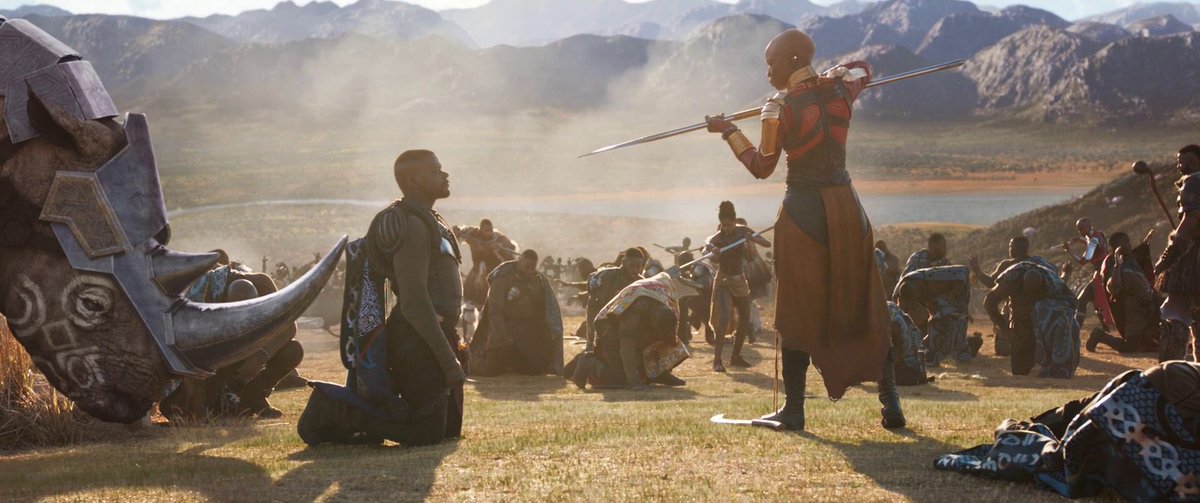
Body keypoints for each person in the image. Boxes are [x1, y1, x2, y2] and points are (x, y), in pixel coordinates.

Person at [705, 29, 901, 430]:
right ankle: (891, 402)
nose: (767, 72)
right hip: (849, 209)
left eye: (771, 63)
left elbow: (762, 166)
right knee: (866, 302)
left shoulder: (780, 108)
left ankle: (794, 409)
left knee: (796, 310)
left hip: (805, 212)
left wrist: (728, 131)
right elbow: (863, 72)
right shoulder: (842, 91)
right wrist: (834, 73)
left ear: (792, 60)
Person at [298, 149, 466, 447]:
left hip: (435, 332)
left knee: (447, 431)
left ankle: (360, 421)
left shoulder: (431, 219)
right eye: (435, 170)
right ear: (413, 180)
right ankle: (332, 407)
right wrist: (447, 360)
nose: (444, 175)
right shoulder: (411, 224)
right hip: (417, 338)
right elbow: (414, 302)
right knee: (425, 435)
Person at [936, 361, 1200, 501]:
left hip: (1158, 392)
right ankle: (1023, 430)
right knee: (1069, 454)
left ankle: (1031, 427)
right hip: (1160, 396)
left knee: (1080, 444)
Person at [160, 278, 303, 421]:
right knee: (177, 407)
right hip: (214, 365)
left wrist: (261, 355)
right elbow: (190, 353)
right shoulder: (204, 301)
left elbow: (289, 326)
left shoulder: (264, 286)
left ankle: (255, 395)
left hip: (252, 353)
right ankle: (226, 401)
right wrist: (199, 402)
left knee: (293, 350)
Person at [576, 272, 695, 389]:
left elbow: (669, 337)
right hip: (610, 332)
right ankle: (588, 362)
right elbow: (627, 348)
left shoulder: (664, 304)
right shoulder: (634, 312)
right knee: (621, 379)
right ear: (653, 319)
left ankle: (657, 375)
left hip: (640, 330)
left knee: (666, 343)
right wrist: (634, 382)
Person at [469, 249, 563, 376]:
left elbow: (543, 312)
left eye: (532, 268)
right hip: (504, 329)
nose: (529, 271)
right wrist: (502, 335)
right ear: (519, 261)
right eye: (526, 267)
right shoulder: (502, 278)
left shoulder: (538, 281)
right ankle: (470, 363)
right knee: (490, 369)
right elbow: (495, 310)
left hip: (527, 333)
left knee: (535, 369)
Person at [983, 260, 1080, 378]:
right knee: (1020, 372)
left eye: (1036, 293)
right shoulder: (1011, 279)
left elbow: (1071, 303)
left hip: (1044, 330)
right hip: (1020, 330)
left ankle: (1053, 363)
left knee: (1049, 309)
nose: (1032, 296)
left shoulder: (1052, 282)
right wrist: (1006, 330)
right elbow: (989, 302)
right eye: (1028, 293)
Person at [705, 202, 771, 372]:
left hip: (739, 280)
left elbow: (767, 244)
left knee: (745, 317)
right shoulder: (718, 238)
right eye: (723, 225)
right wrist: (713, 251)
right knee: (723, 319)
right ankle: (717, 360)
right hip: (723, 281)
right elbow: (708, 248)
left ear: (734, 221)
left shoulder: (743, 231)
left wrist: (753, 238)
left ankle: (735, 356)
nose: (726, 229)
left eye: (729, 225)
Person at [968, 236, 1055, 356]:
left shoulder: (1008, 264)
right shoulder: (1038, 264)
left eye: (1010, 246)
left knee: (1004, 350)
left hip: (1015, 314)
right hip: (1040, 314)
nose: (1009, 249)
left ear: (1014, 249)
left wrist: (977, 270)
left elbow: (991, 283)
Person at [1154, 144, 1200, 361]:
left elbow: (1192, 217)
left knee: (1175, 314)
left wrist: (1169, 254)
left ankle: (1171, 371)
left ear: (1193, 162)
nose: (1180, 166)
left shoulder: (1194, 182)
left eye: (1182, 162)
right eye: (1179, 162)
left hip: (1193, 259)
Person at [1087, 232, 1161, 354]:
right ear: (1118, 247)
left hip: (1148, 305)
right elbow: (1113, 288)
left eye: (1128, 242)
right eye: (1126, 243)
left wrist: (1144, 245)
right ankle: (1100, 336)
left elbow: (1138, 256)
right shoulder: (1114, 264)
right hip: (1134, 311)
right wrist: (1117, 265)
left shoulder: (1130, 259)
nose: (1129, 245)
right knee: (1130, 347)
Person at [894, 265, 981, 367]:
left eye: (914, 300)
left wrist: (954, 300)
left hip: (953, 295)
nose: (914, 303)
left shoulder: (933, 282)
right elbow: (902, 313)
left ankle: (961, 349)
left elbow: (961, 275)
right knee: (939, 323)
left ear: (917, 291)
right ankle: (963, 349)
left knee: (942, 322)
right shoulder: (904, 290)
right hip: (942, 301)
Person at [1061, 217, 1114, 330]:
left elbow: (1083, 261)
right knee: (1090, 300)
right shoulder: (1099, 234)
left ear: (1089, 227)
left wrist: (1069, 250)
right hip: (1107, 269)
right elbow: (1093, 244)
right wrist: (1080, 240)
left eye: (1082, 228)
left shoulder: (1093, 241)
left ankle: (1076, 329)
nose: (1080, 231)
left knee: (1082, 300)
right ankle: (1104, 325)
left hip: (1100, 274)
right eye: (1078, 229)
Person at [455, 219, 519, 306]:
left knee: (490, 301)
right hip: (476, 271)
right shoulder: (473, 232)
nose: (489, 233)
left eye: (490, 230)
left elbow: (512, 252)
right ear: (481, 230)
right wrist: (459, 232)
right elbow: (457, 230)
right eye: (486, 231)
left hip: (493, 276)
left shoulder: (499, 238)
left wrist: (500, 250)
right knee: (469, 297)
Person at [675, 251, 715, 345]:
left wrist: (683, 281)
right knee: (683, 300)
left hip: (711, 296)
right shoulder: (697, 266)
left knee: (684, 301)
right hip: (707, 295)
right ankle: (683, 335)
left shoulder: (699, 268)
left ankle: (683, 335)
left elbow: (705, 285)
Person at [886, 301, 928, 386]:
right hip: (914, 367)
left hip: (907, 369)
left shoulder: (894, 322)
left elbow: (897, 354)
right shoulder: (898, 316)